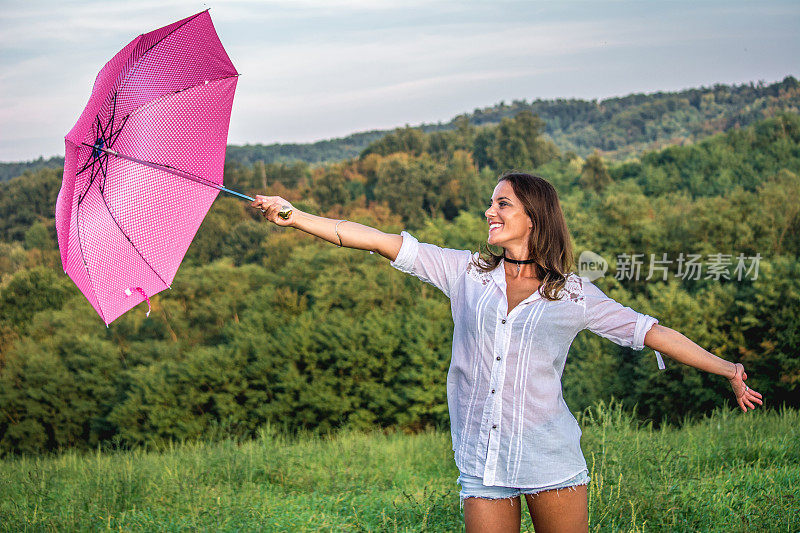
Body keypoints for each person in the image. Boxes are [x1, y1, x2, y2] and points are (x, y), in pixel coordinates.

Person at [251, 171, 763, 533]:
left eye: (502, 204)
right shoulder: (466, 274)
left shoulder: (573, 294)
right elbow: (376, 241)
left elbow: (649, 331)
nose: (489, 211)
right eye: (491, 203)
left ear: (533, 217)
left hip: (549, 457)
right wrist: (295, 217)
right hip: (483, 460)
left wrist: (728, 369)